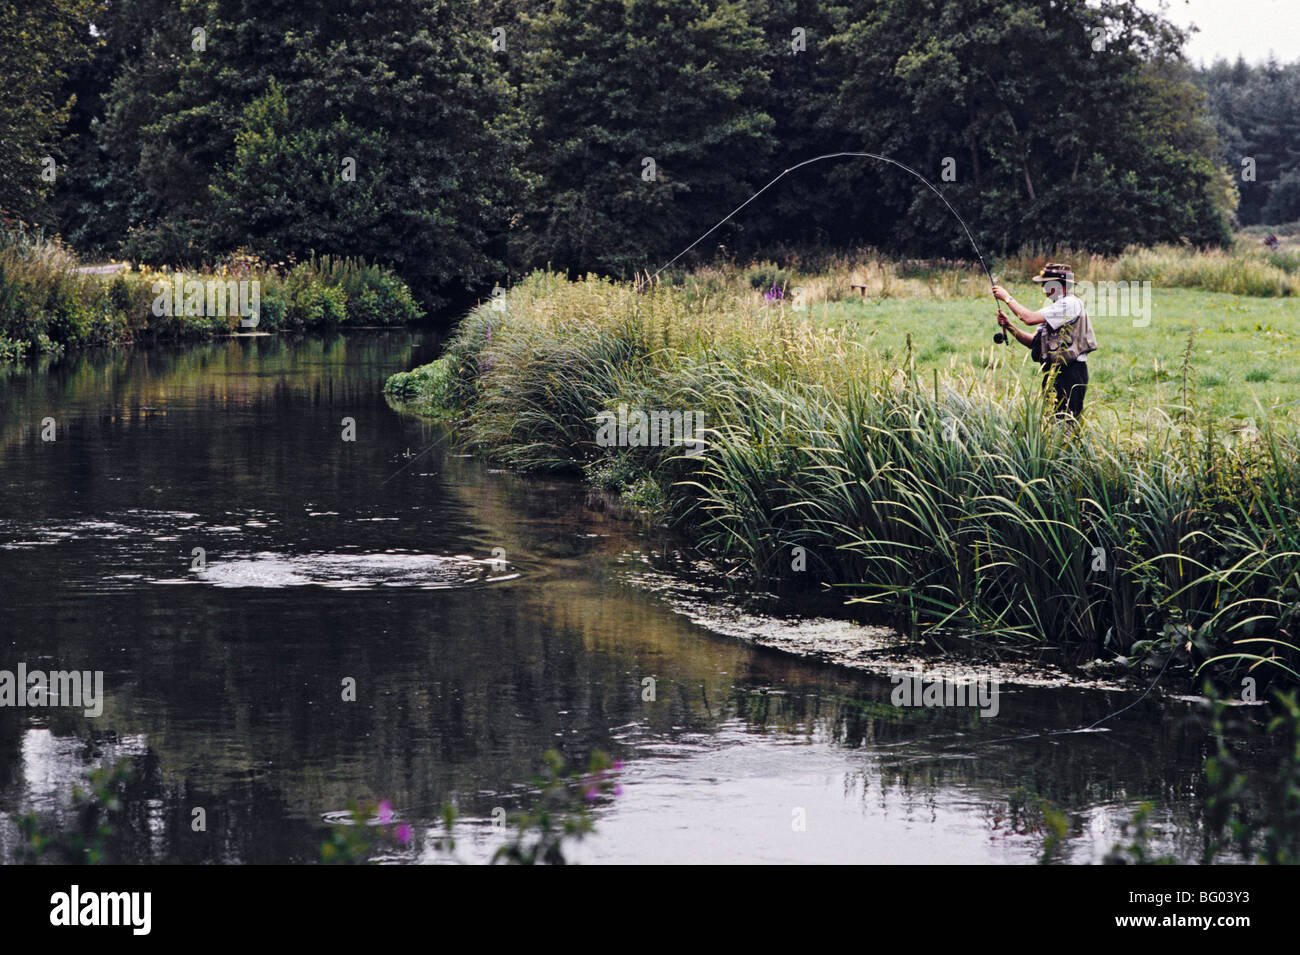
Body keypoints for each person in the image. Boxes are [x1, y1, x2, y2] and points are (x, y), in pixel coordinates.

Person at [991, 263, 1097, 422]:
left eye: (1045, 283)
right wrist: (1009, 326)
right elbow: (1033, 341)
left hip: (1071, 373)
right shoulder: (1054, 306)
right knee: (1052, 423)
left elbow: (1029, 319)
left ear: (1058, 284)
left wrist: (1007, 298)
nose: (1042, 287)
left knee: (1066, 424)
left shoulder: (1070, 304)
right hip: (1053, 372)